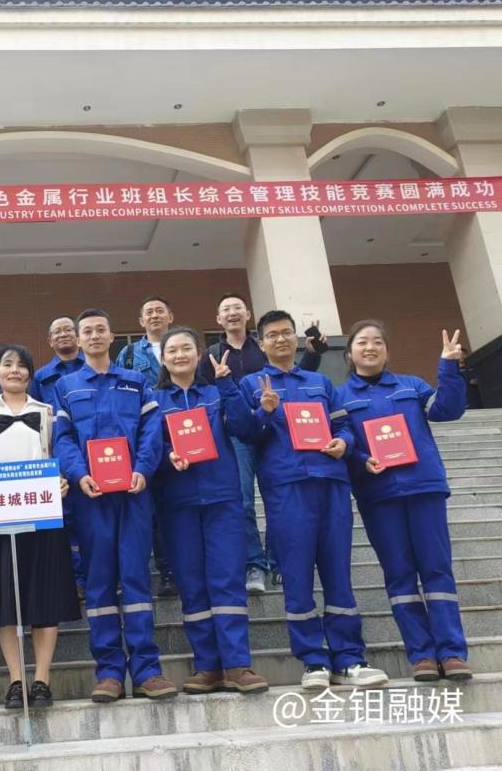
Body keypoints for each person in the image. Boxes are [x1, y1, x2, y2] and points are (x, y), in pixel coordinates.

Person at [240, 311, 388, 690]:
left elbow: (343, 425)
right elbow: (245, 434)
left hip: (331, 483)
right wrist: (263, 412)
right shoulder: (251, 384)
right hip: (285, 488)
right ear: (261, 343)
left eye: (286, 333)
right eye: (272, 335)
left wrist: (344, 443)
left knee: (338, 571)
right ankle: (313, 660)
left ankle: (349, 659)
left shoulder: (320, 382)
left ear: (296, 338)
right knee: (297, 574)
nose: (281, 339)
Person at [337, 321, 472, 682]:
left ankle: (452, 652)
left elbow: (447, 410)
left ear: (386, 350)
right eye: (362, 342)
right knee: (399, 574)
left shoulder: (411, 386)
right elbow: (342, 440)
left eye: (377, 342)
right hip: (379, 495)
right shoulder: (340, 397)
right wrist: (360, 459)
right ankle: (422, 654)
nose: (370, 347)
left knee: (436, 569)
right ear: (349, 353)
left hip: (424, 487)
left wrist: (448, 367)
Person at [54, 308, 176, 703]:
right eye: (86, 331)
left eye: (100, 330)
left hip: (134, 494)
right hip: (91, 499)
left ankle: (147, 670)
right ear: (79, 339)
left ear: (111, 337)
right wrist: (78, 474)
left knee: (136, 577)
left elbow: (152, 431)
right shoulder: (66, 386)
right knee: (100, 580)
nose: (93, 336)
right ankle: (108, 672)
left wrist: (143, 469)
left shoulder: (135, 381)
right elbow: (62, 438)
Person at [0, 344, 81, 708]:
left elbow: (60, 454)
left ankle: (42, 679)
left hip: (42, 514)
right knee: (5, 600)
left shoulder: (48, 412)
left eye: (21, 365)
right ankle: (16, 679)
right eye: (7, 364)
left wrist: (62, 482)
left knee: (44, 597)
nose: (14, 370)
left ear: (31, 372)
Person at [153, 327, 268, 695]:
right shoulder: (154, 400)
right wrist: (168, 457)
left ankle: (237, 664)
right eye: (172, 350)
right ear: (163, 359)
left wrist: (228, 385)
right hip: (178, 503)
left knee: (227, 579)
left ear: (199, 353)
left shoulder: (217, 392)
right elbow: (149, 447)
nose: (180, 355)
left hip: (222, 498)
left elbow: (246, 428)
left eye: (187, 348)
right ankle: (207, 666)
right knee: (192, 584)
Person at [198, 292, 326, 595]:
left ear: (248, 315)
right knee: (243, 500)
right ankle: (254, 562)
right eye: (226, 309)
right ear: (218, 319)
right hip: (238, 434)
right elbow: (206, 395)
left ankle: (278, 559)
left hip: (275, 430)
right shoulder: (212, 354)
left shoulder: (264, 345)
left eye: (238, 307)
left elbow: (294, 376)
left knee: (278, 498)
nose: (232, 312)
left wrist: (313, 353)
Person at [115, 296, 178, 598]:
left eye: (159, 311)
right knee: (147, 508)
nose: (154, 315)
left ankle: (171, 569)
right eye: (148, 312)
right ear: (141, 321)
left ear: (170, 316)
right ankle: (157, 569)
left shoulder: (180, 346)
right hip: (142, 437)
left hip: (179, 431)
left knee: (170, 506)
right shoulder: (128, 353)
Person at [29, 315, 86, 595]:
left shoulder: (92, 367)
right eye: (57, 332)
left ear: (78, 337)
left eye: (68, 330)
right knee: (66, 519)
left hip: (92, 457)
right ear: (50, 340)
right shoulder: (41, 377)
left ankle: (102, 576)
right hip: (56, 459)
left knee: (94, 520)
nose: (63, 334)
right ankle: (76, 580)